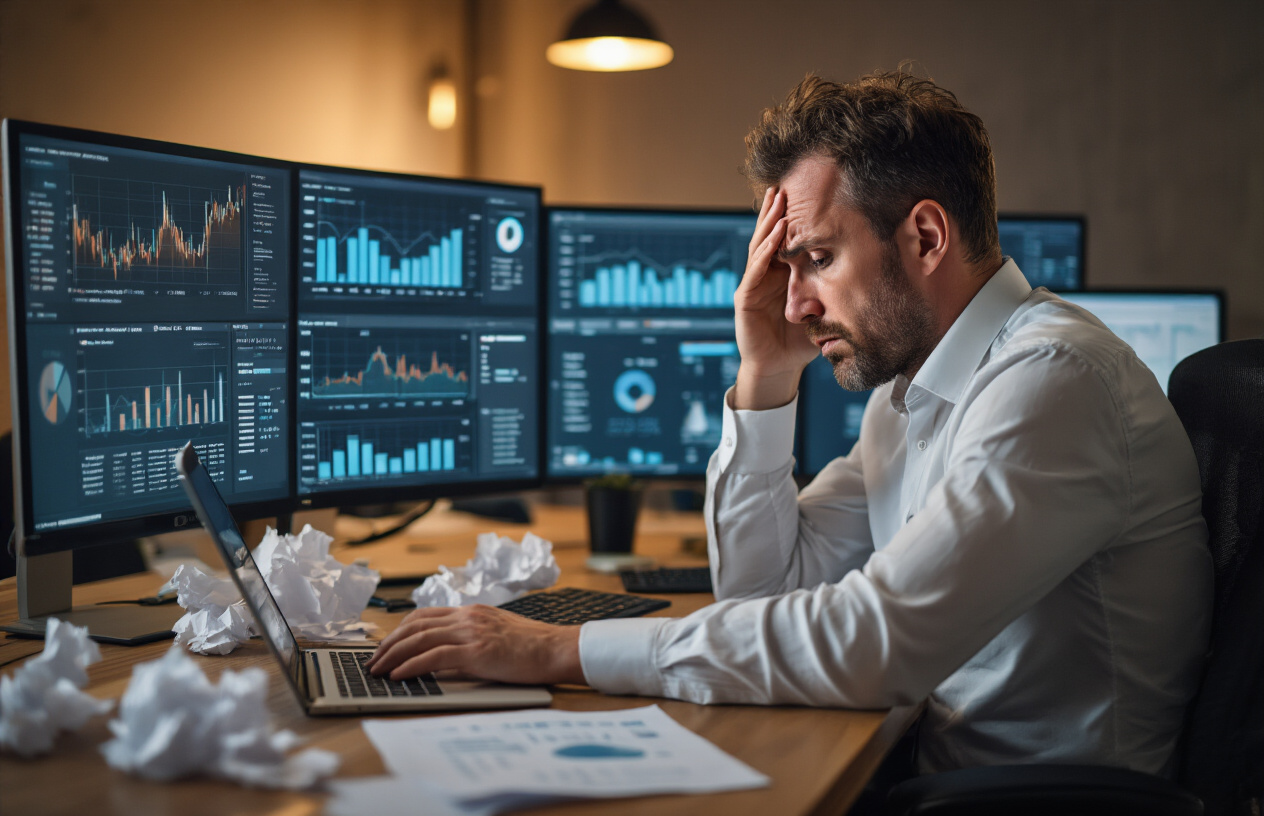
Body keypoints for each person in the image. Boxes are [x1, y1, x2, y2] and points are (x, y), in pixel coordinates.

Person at [369, 72, 1212, 777]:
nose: (795, 303)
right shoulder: (911, 395)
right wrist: (767, 376)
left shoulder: (1053, 382)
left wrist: (561, 650)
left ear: (925, 236)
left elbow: (873, 643)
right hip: (943, 779)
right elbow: (765, 593)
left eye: (816, 258)